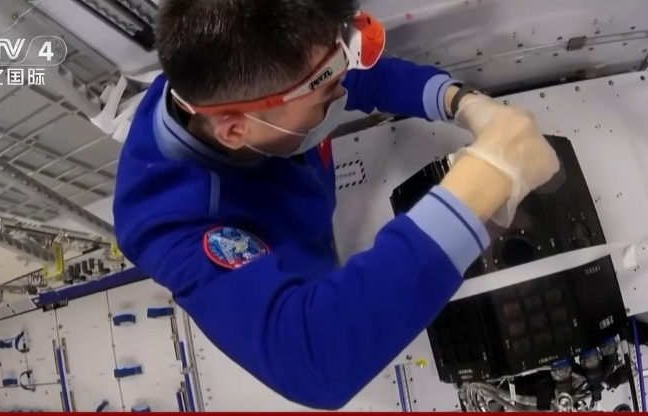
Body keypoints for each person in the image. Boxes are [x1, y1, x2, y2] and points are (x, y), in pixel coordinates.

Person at [113, 0, 560, 409]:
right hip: (302, 273)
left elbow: (352, 74)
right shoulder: (165, 222)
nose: (342, 92)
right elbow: (314, 358)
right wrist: (482, 180)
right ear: (235, 130)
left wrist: (460, 102)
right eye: (326, 94)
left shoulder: (237, 81)